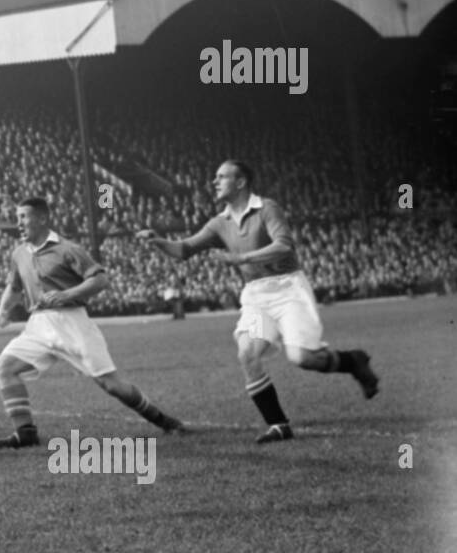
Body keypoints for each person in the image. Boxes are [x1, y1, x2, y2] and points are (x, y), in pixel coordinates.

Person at [137, 160, 378, 444]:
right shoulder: (219, 222)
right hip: (255, 294)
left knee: (303, 358)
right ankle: (279, 425)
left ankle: (353, 361)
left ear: (241, 182)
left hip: (288, 289)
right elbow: (184, 249)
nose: (214, 181)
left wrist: (241, 258)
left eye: (221, 177)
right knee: (247, 353)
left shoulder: (266, 208)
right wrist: (157, 241)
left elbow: (284, 244)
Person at [0, 198, 184, 449]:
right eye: (17, 217)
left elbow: (101, 280)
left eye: (24, 217)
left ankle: (164, 421)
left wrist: (67, 294)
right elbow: (14, 286)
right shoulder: (18, 253)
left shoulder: (67, 249)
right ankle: (25, 433)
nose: (19, 223)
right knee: (4, 367)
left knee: (111, 385)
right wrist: (3, 309)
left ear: (42, 219)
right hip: (38, 324)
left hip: (72, 322)